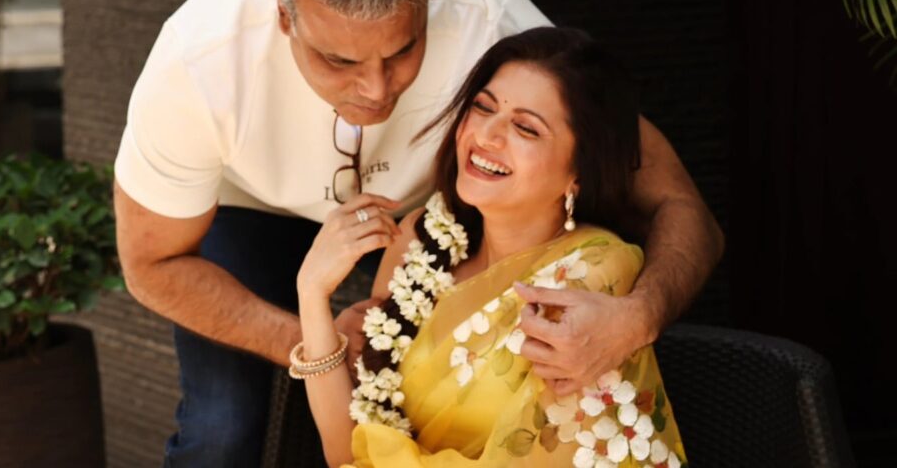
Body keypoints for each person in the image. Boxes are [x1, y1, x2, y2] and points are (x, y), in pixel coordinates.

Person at [113, 0, 723, 466]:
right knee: (223, 423)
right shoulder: (198, 64)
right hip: (249, 206)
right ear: (284, 17)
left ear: (429, 3)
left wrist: (637, 318)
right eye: (339, 60)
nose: (376, 90)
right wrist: (311, 335)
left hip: (424, 214)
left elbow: (680, 205)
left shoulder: (492, 29)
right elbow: (151, 264)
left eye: (402, 52)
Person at [294, 26, 686, 467]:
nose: (486, 135)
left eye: (526, 128)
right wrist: (312, 293)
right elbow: (348, 451)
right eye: (482, 107)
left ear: (579, 170)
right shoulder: (419, 239)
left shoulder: (591, 271)